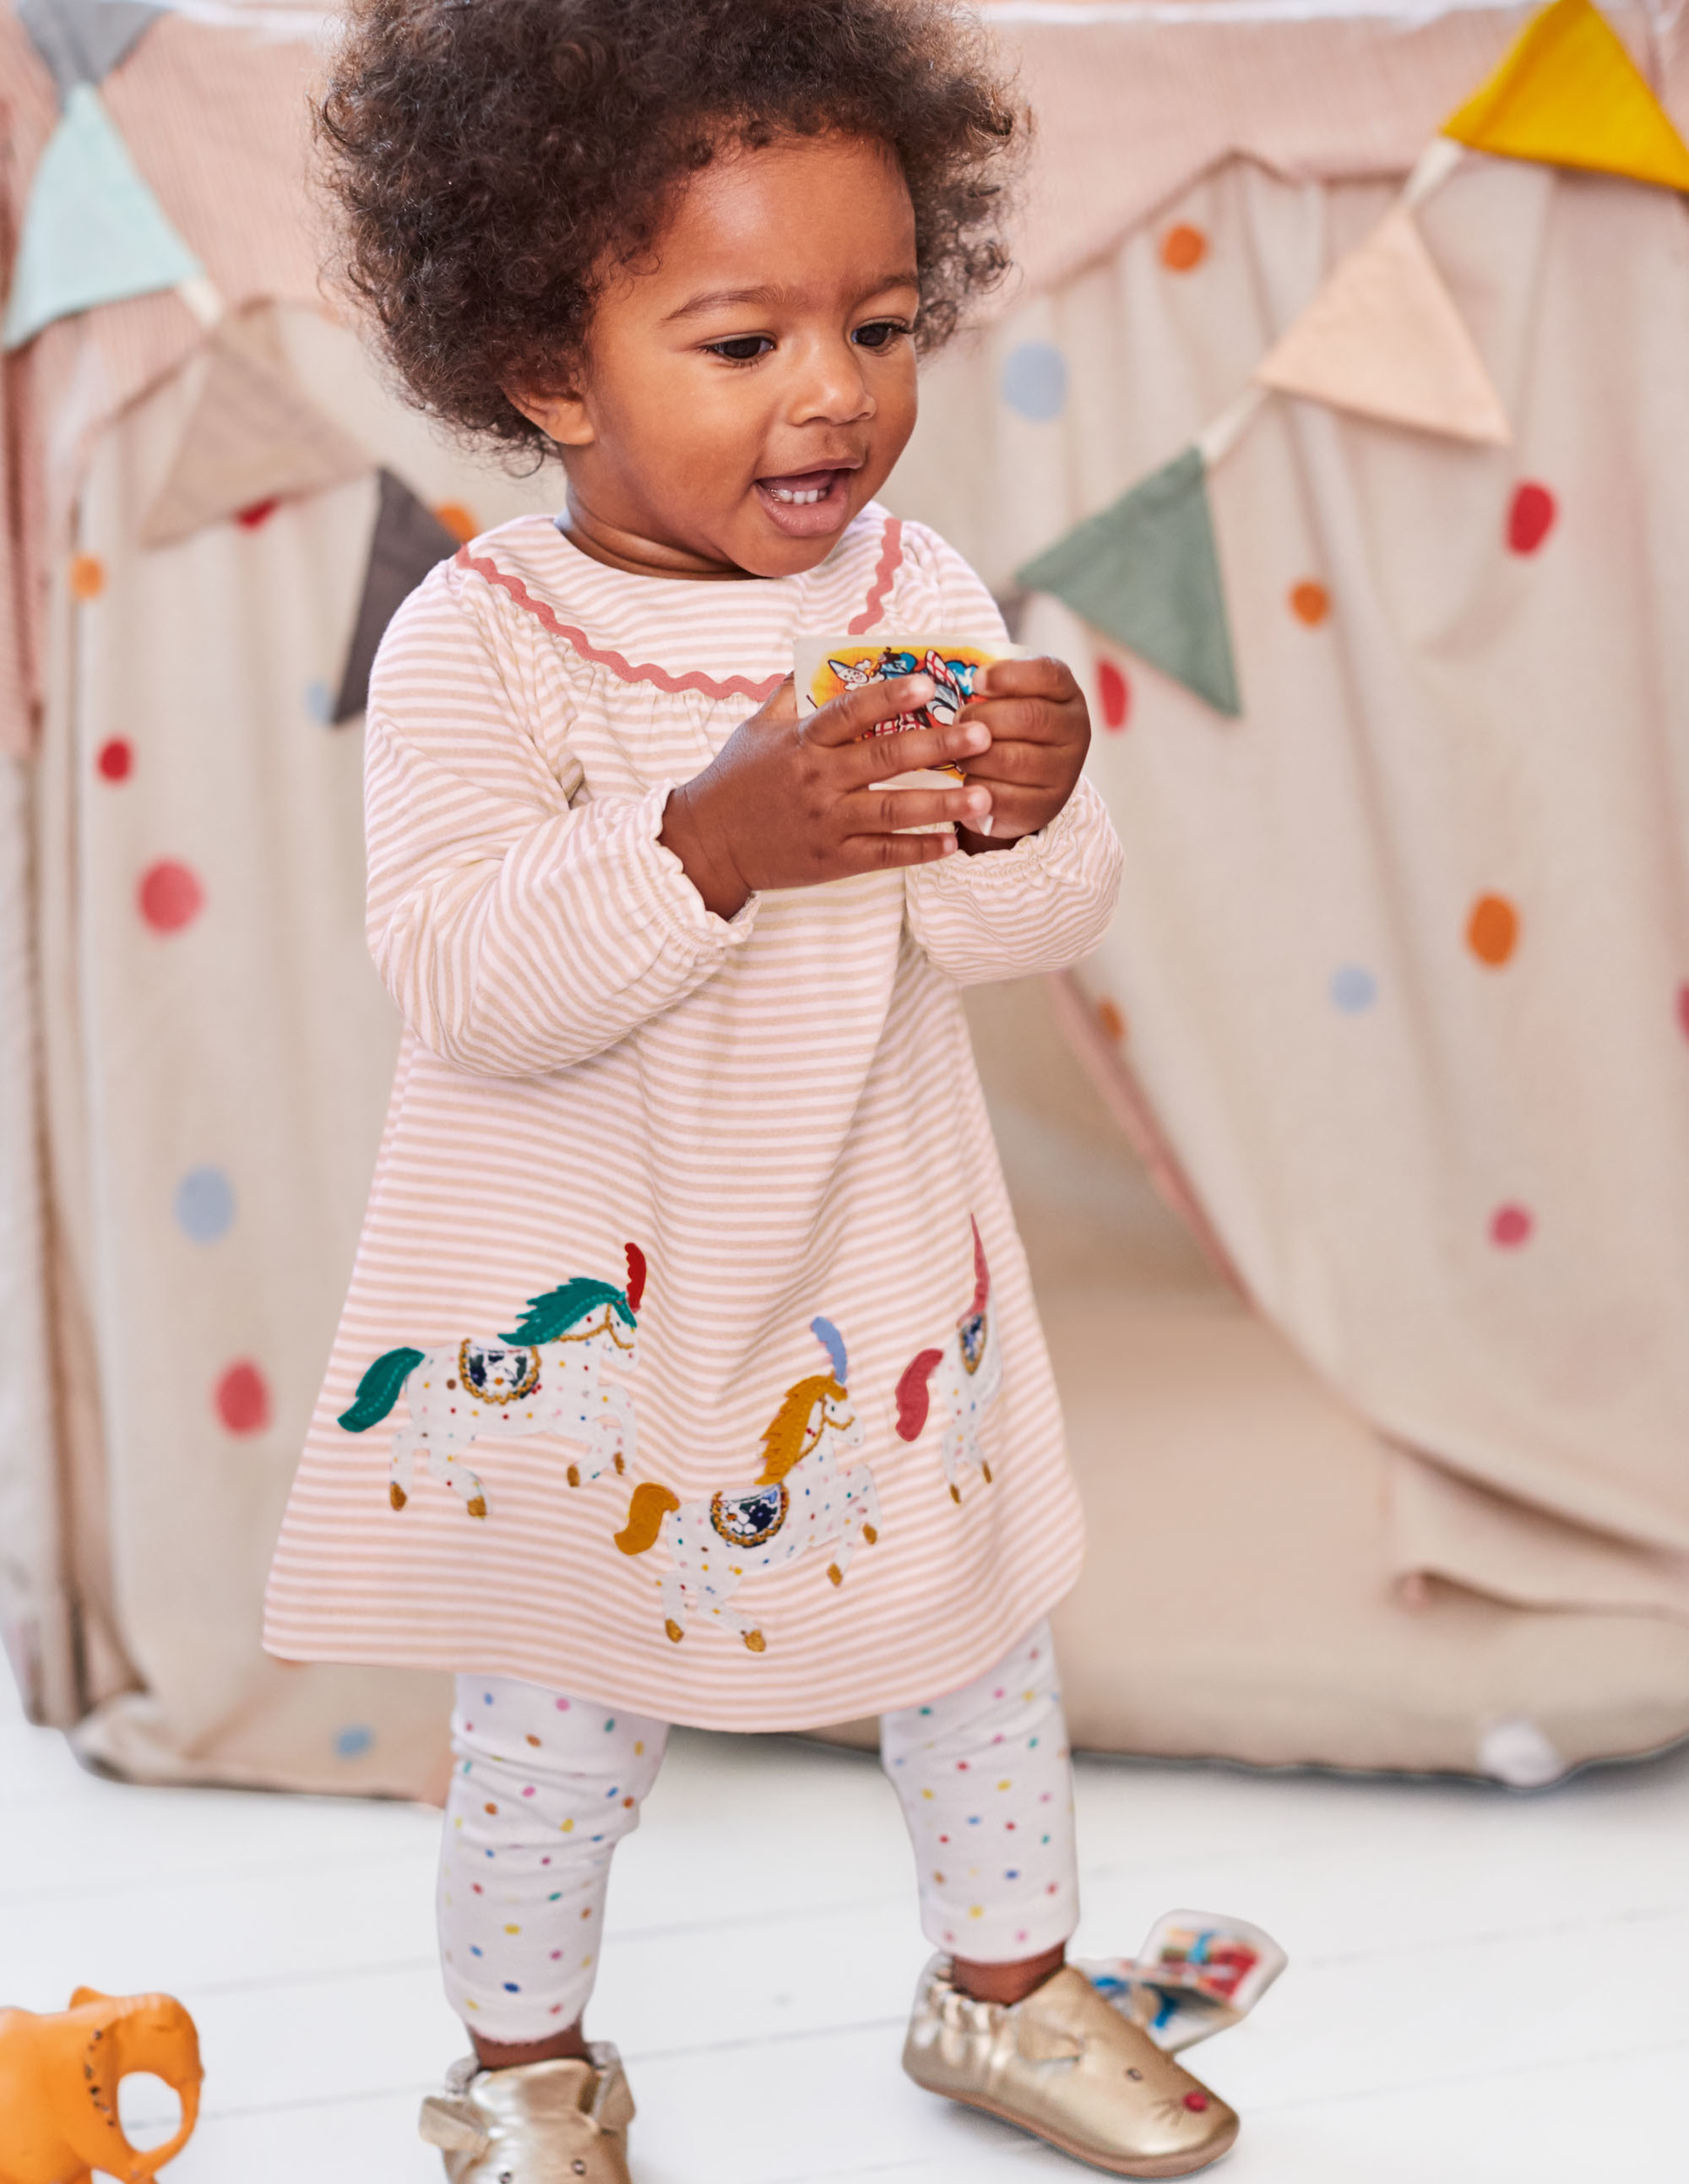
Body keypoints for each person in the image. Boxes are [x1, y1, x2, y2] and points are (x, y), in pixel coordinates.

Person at [263, 1, 1241, 2176]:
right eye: (741, 343)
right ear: (548, 367)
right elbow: (461, 980)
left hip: (863, 1260)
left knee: (974, 1646)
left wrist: (1028, 813)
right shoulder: (480, 638)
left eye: (879, 327)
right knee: (553, 1724)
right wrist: (707, 844)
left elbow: (1008, 936)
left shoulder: (918, 588)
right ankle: (521, 2066)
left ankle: (1002, 1991)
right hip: (587, 1308)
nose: (835, 394)